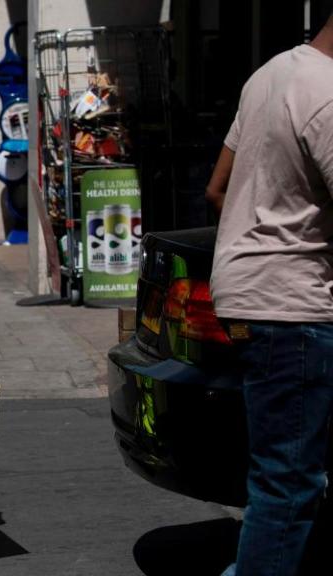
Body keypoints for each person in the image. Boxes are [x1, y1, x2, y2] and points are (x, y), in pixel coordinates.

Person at [206, 11, 333, 576]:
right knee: (287, 485)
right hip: (294, 306)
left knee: (282, 474)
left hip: (248, 297)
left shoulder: (270, 73)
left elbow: (217, 188)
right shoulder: (327, 96)